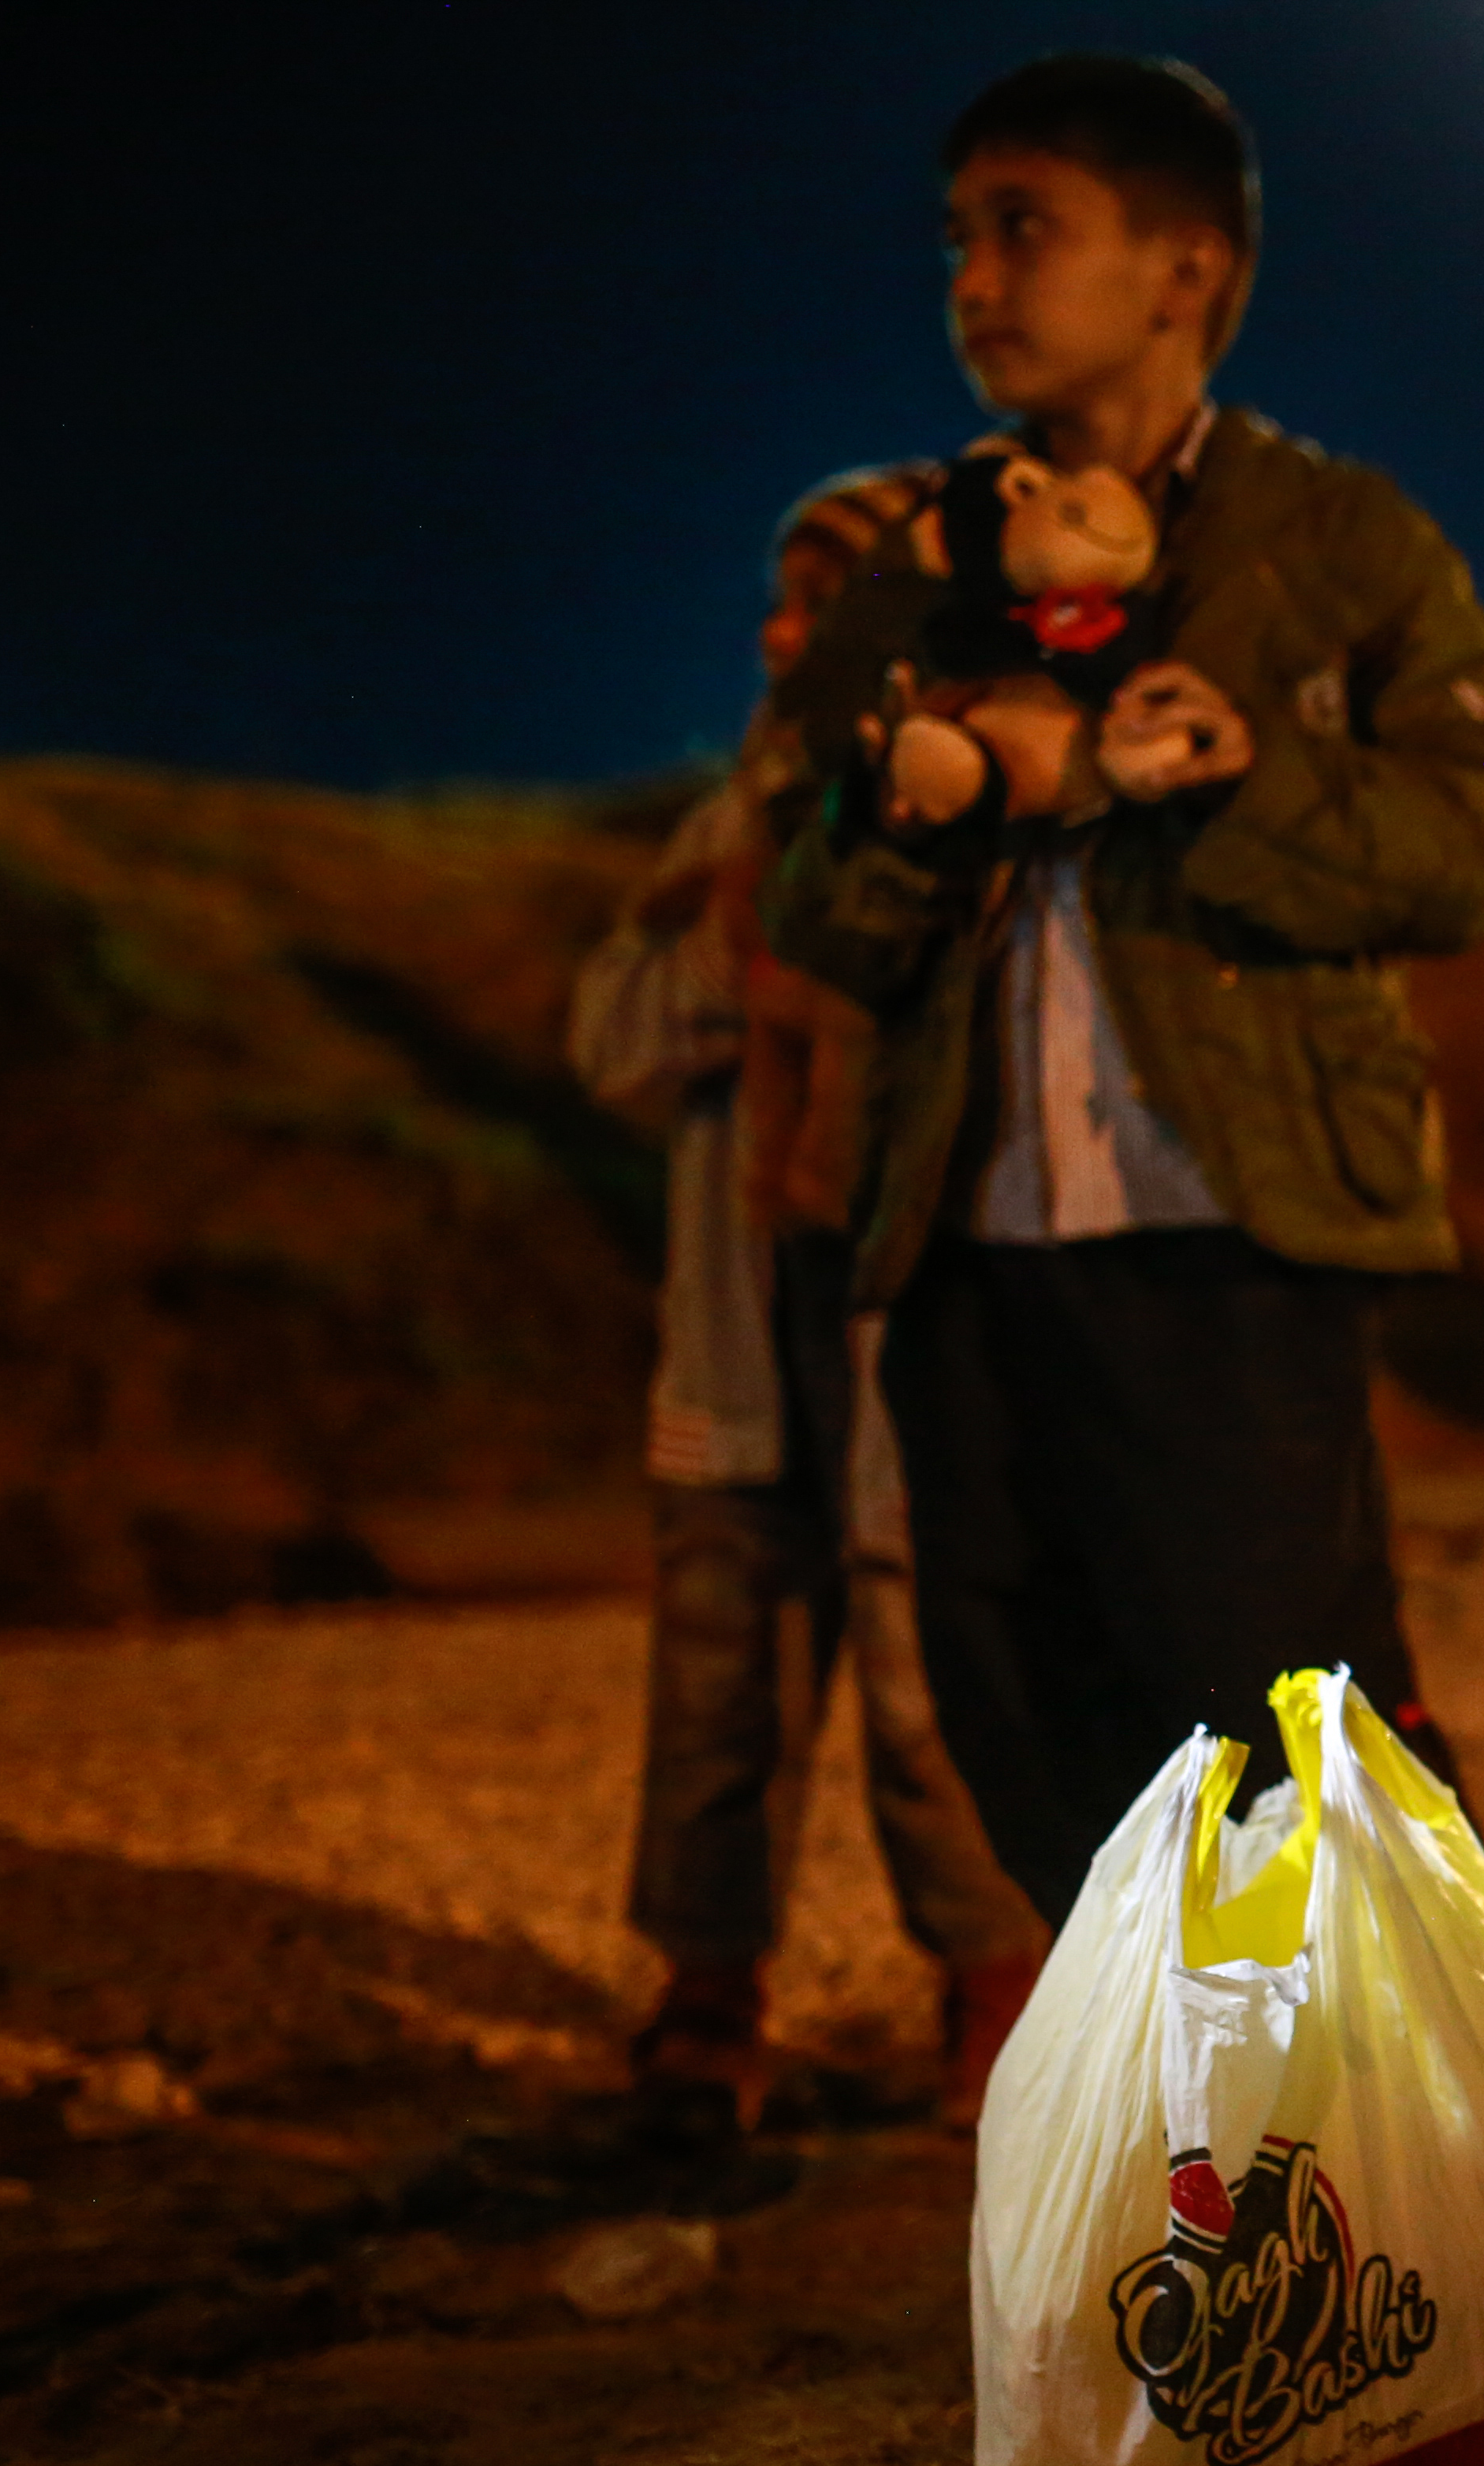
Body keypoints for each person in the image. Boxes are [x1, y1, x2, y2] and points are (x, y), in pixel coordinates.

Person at [767, 54, 1484, 1929]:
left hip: (1228, 1232)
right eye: (957, 237)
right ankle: (1183, 2159)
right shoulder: (917, 569)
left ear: (1184, 270)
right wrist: (911, 804)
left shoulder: (1335, 541)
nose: (971, 278)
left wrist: (1232, 782)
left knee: (1293, 1720)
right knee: (1021, 1719)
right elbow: (812, 906)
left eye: (1021, 229)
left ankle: (1399, 2171)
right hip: (969, 1238)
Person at [569, 478, 1048, 2124]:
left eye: (825, 595)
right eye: (779, 598)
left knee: (930, 1684)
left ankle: (998, 1986)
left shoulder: (990, 795)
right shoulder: (731, 820)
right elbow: (613, 1036)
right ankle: (709, 1995)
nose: (784, 631)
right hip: (742, 1322)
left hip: (905, 1317)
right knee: (722, 1677)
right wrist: (733, 973)